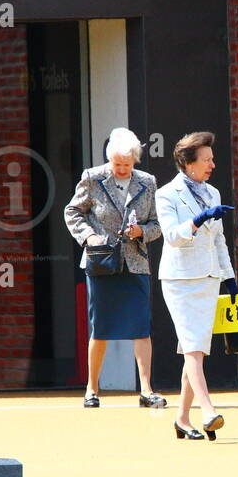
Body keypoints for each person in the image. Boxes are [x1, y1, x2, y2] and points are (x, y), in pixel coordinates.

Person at [64, 126, 165, 409]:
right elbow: (72, 211)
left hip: (135, 262)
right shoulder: (92, 178)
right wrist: (88, 236)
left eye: (127, 164)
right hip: (101, 261)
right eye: (117, 164)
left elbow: (158, 224)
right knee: (100, 327)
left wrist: (141, 232)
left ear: (135, 160)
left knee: (141, 326)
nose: (121, 169)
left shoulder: (148, 182)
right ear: (109, 160)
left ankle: (146, 389)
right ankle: (92, 389)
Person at [157, 131, 236, 440]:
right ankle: (208, 410)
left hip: (209, 279)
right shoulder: (166, 194)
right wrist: (199, 218)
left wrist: (228, 277)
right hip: (179, 281)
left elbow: (219, 241)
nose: (212, 164)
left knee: (197, 351)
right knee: (192, 347)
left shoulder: (213, 193)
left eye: (212, 159)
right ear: (188, 163)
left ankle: (181, 419)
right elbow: (173, 237)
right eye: (206, 160)